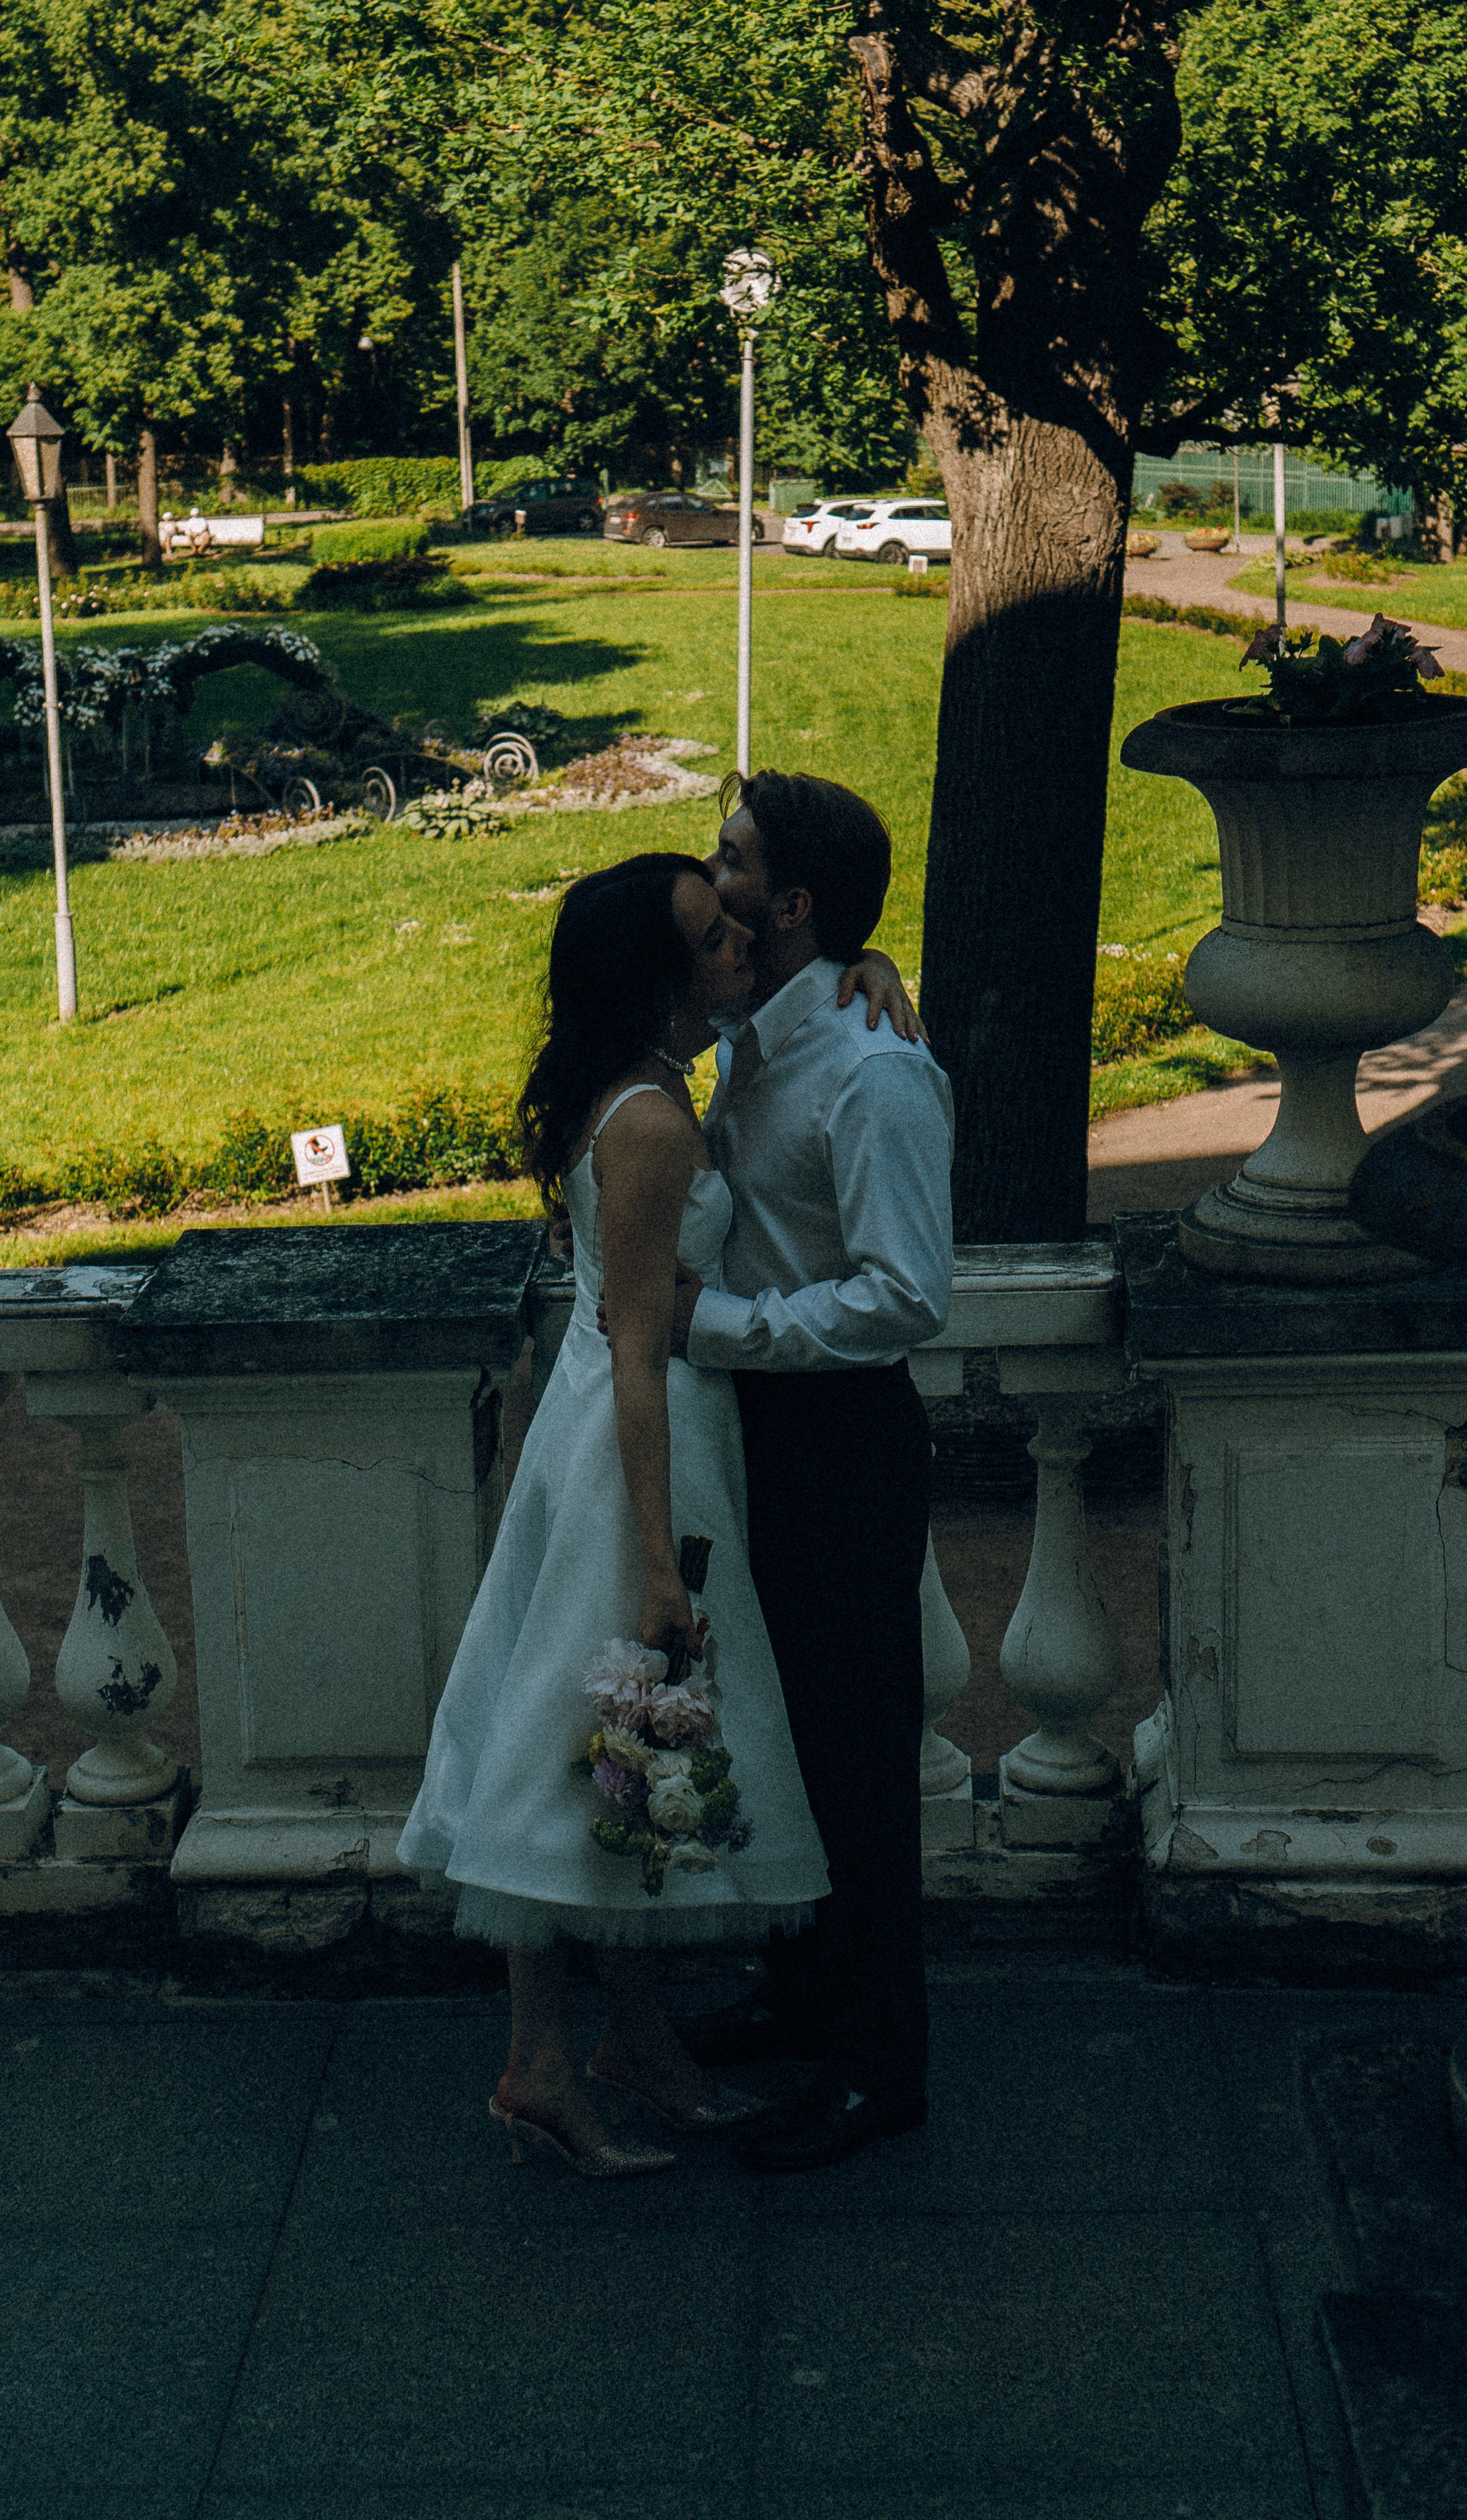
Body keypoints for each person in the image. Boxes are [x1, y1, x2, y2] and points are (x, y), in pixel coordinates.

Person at [397, 852, 831, 2178]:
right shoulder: (648, 1124)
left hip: (605, 1440)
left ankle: (628, 2041)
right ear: (650, 980)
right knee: (584, 1745)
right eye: (708, 944)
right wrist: (657, 1561)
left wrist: (857, 971)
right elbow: (640, 1350)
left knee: (616, 1750)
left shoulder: (633, 1086)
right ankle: (540, 2063)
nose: (735, 955)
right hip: (639, 1454)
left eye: (730, 932)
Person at [674, 768, 954, 2173]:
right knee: (773, 1733)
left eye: (729, 858)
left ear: (787, 903)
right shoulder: (769, 1034)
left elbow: (907, 1295)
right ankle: (799, 1995)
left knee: (852, 1760)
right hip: (756, 1433)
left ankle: (876, 2067)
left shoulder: (872, 1070)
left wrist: (713, 1329)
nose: (703, 870)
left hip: (837, 1442)